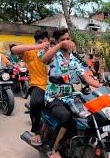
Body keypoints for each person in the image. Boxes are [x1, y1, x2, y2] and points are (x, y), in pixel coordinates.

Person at [41, 28, 100, 158]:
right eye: (63, 40)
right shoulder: (53, 55)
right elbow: (44, 59)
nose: (66, 42)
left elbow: (86, 77)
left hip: (72, 96)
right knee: (66, 117)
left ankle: (85, 142)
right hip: (53, 97)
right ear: (56, 42)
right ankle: (55, 150)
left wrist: (100, 85)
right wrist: (59, 46)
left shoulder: (74, 59)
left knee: (95, 112)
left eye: (68, 39)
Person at [11, 30, 50, 146]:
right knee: (36, 102)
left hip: (55, 86)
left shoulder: (54, 51)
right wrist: (38, 47)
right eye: (39, 42)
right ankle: (37, 131)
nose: (43, 44)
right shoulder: (31, 53)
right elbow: (14, 49)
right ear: (36, 42)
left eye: (45, 41)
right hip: (38, 85)